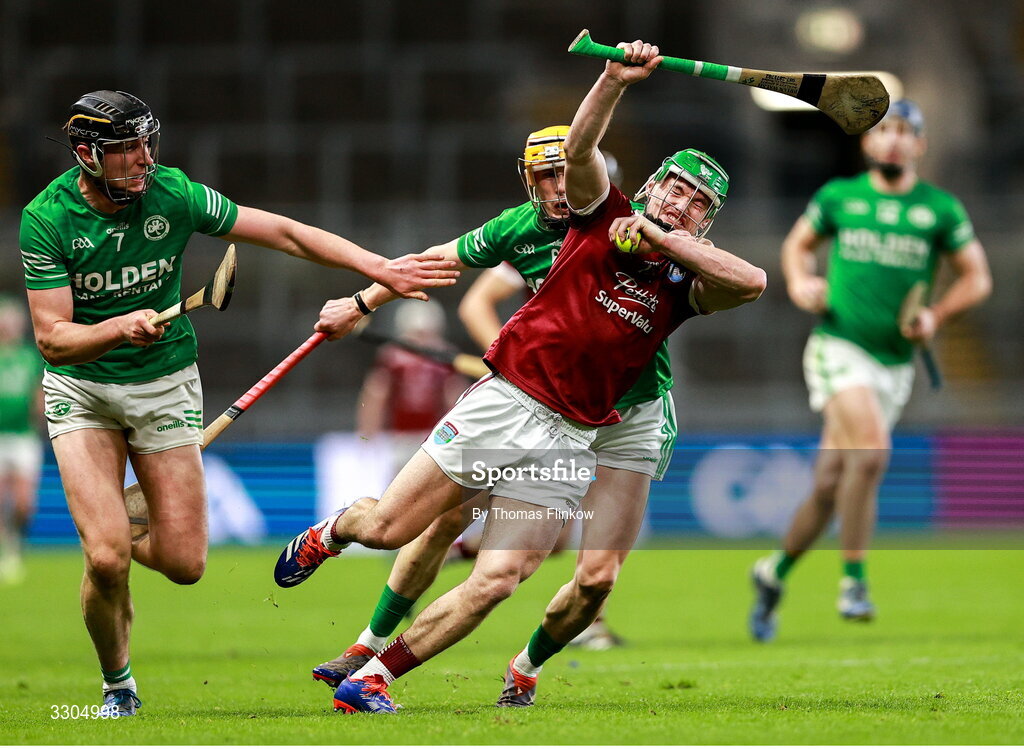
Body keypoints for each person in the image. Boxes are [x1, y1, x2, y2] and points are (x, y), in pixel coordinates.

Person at [274, 39, 766, 714]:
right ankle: (329, 533)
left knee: (501, 576)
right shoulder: (597, 211)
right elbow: (584, 146)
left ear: (707, 223)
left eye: (698, 203)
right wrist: (612, 80)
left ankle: (373, 678)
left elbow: (755, 281)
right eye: (676, 189)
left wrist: (666, 242)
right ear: (651, 186)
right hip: (507, 401)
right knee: (391, 527)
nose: (682, 204)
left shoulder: (689, 281)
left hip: (574, 436)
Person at [19, 89, 458, 716]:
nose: (145, 158)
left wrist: (379, 268)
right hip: (83, 391)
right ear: (88, 155)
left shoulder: (173, 193)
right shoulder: (47, 219)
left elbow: (279, 231)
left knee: (185, 562)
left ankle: (112, 518)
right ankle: (119, 683)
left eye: (149, 142)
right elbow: (54, 340)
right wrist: (119, 327)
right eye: (128, 148)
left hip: (165, 383)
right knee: (108, 557)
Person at [306, 126, 643, 692]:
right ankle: (367, 645)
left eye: (571, 175)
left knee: (569, 559)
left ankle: (532, 656)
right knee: (439, 520)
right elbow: (463, 287)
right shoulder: (525, 229)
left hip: (618, 414)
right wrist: (367, 301)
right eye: (547, 176)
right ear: (530, 180)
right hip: (530, 400)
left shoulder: (625, 233)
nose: (561, 188)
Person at [748, 99, 992, 642]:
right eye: (884, 130)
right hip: (838, 347)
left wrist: (937, 313)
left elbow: (976, 278)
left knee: (832, 484)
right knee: (873, 451)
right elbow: (798, 246)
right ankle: (853, 580)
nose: (894, 140)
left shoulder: (941, 209)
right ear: (867, 143)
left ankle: (772, 572)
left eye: (906, 131)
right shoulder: (840, 196)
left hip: (895, 364)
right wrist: (800, 281)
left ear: (920, 146)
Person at [0, 296, 44, 585]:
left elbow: (38, 393)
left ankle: (16, 543)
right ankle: (6, 552)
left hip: (25, 436)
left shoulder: (30, 356)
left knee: (24, 503)